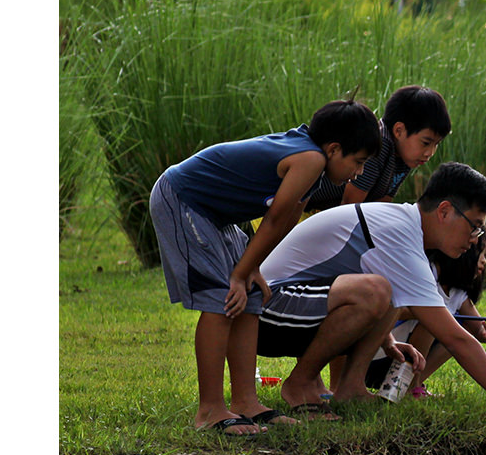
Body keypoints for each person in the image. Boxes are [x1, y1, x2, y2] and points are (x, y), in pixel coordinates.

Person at [255, 163, 486, 447]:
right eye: (474, 227)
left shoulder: (403, 228)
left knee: (387, 291)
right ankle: (300, 385)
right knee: (376, 291)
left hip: (293, 308)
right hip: (264, 314)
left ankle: (351, 389)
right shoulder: (399, 234)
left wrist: (386, 339)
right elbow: (456, 338)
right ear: (445, 211)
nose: (475, 240)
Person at [149, 99, 381, 435]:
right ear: (334, 149)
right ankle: (209, 409)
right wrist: (239, 274)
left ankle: (246, 402)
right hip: (184, 199)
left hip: (216, 214)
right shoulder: (310, 159)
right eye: (358, 162)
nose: (358, 173)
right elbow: (272, 219)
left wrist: (252, 268)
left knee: (252, 294)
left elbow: (286, 219)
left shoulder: (315, 165)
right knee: (222, 299)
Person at [361, 236, 486, 396]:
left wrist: (485, 332)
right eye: (481, 254)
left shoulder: (458, 295)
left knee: (457, 332)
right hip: (378, 355)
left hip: (399, 363)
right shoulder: (427, 275)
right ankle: (411, 388)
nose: (484, 261)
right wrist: (432, 312)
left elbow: (478, 330)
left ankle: (408, 388)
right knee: (434, 324)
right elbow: (397, 309)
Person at [306, 85, 450, 210]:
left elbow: (380, 209)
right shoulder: (377, 148)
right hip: (308, 205)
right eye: (425, 143)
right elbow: (349, 206)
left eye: (436, 144)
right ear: (399, 131)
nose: (430, 153)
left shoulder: (405, 157)